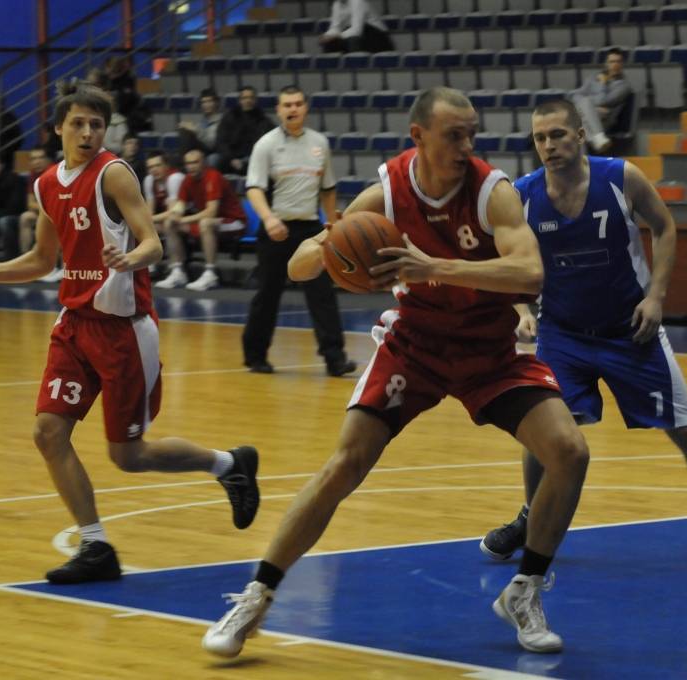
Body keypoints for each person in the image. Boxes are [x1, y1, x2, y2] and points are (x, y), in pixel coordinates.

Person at [202, 87, 590, 658]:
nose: (467, 145)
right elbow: (301, 262)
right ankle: (256, 597)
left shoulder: (492, 191)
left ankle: (525, 590)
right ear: (419, 138)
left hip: (487, 350)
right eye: (454, 135)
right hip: (416, 345)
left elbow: (530, 274)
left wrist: (435, 266)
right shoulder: (388, 189)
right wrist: (330, 249)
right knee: (345, 464)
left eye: (471, 133)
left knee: (569, 451)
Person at [0, 83, 261, 584]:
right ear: (58, 127)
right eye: (78, 123)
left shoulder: (114, 174)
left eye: (96, 125)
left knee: (129, 456)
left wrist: (129, 258)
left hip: (124, 331)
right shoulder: (45, 183)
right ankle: (97, 546)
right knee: (48, 431)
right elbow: (41, 260)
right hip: (75, 327)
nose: (87, 132)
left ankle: (229, 464)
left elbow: (154, 244)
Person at [480, 99, 687, 566]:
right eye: (540, 138)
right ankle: (532, 515)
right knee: (543, 430)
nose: (548, 145)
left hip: (629, 330)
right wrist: (520, 307)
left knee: (686, 430)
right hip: (563, 334)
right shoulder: (524, 194)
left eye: (557, 135)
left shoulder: (620, 177)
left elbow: (665, 228)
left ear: (580, 134)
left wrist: (657, 297)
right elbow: (507, 257)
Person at [240, 86, 355, 376]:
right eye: (286, 105)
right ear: (279, 110)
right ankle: (255, 355)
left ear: (305, 108)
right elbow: (253, 188)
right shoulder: (266, 144)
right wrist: (268, 219)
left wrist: (333, 225)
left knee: (322, 294)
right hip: (276, 228)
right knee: (268, 294)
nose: (292, 109)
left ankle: (334, 358)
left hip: (310, 229)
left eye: (297, 104)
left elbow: (328, 189)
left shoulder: (319, 143)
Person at [156, 148, 246, 291]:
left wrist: (183, 220)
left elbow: (211, 212)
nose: (191, 166)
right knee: (170, 224)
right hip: (211, 222)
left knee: (205, 223)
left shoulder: (213, 177)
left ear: (203, 163)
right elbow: (179, 206)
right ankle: (178, 271)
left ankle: (211, 273)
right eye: (188, 163)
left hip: (234, 222)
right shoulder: (187, 180)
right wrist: (174, 215)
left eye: (195, 162)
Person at [570, 48, 633, 153]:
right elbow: (575, 95)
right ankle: (598, 138)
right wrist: (591, 107)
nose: (615, 65)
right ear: (606, 64)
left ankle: (584, 161)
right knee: (579, 125)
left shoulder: (624, 86)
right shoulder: (593, 78)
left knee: (578, 117)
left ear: (622, 64)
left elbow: (603, 101)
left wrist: (603, 84)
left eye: (618, 61)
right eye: (612, 62)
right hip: (589, 117)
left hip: (605, 120)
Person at [17, 149, 62, 282]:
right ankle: (27, 262)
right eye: (33, 159)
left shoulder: (55, 173)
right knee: (25, 217)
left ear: (47, 160)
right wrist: (43, 208)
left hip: (59, 214)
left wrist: (43, 208)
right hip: (44, 213)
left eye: (40, 158)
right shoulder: (33, 175)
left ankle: (53, 265)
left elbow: (57, 203)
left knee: (50, 222)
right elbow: (30, 203)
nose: (36, 161)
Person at [216, 87, 273, 175]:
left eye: (251, 98)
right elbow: (221, 141)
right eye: (245, 98)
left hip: (253, 157)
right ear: (240, 101)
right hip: (231, 157)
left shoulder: (263, 119)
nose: (248, 100)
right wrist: (231, 159)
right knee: (214, 160)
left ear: (255, 100)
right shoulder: (229, 117)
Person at [319, 0, 394, 54]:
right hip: (356, 34)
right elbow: (335, 27)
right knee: (329, 43)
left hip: (376, 36)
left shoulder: (358, 2)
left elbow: (357, 30)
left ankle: (357, 66)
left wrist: (336, 36)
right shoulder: (337, 4)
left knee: (352, 39)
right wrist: (327, 36)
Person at [178, 88, 223, 166]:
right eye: (203, 102)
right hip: (201, 151)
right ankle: (185, 161)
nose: (206, 105)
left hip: (215, 151)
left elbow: (211, 144)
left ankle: (184, 163)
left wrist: (195, 129)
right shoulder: (202, 121)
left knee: (212, 159)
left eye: (209, 101)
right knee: (185, 130)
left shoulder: (222, 120)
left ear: (216, 103)